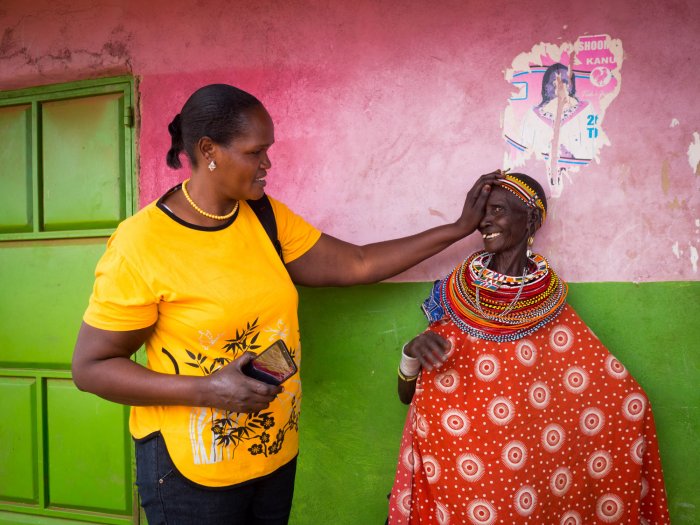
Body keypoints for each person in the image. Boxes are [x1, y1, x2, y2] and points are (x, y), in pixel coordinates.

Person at [71, 83, 505, 525]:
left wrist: (457, 229)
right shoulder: (142, 243)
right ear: (208, 150)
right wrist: (207, 389)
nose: (267, 164)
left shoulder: (264, 216)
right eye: (255, 152)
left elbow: (357, 263)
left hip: (273, 455)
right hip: (192, 473)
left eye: (268, 150)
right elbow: (92, 367)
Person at [388, 173, 670, 524]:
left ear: (531, 221)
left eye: (498, 211)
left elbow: (610, 393)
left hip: (533, 476)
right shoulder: (450, 296)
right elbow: (407, 396)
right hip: (459, 473)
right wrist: (411, 353)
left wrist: (633, 409)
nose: (485, 221)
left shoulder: (550, 306)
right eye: (482, 213)